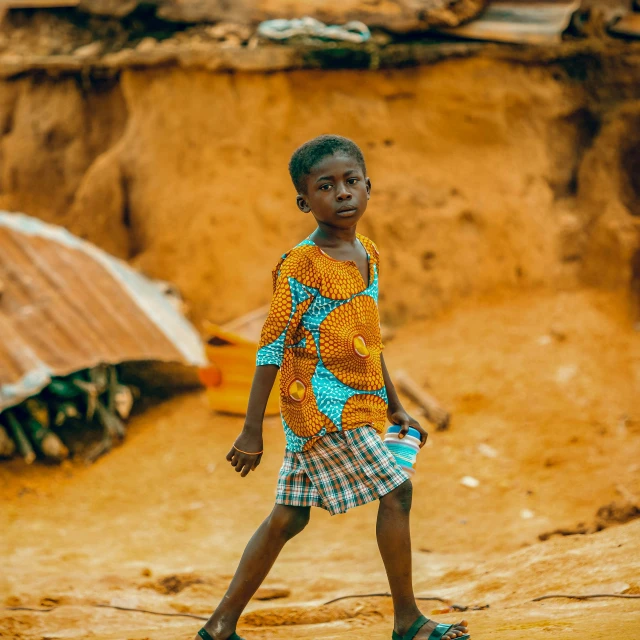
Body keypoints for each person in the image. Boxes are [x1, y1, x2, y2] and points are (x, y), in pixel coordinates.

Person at [196, 135, 470, 640]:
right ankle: (407, 620)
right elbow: (271, 347)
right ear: (305, 202)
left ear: (369, 187)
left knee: (289, 516)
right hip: (322, 408)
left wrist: (395, 406)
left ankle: (218, 627)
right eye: (326, 186)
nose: (342, 193)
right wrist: (251, 428)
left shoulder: (368, 252)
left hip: (359, 402)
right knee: (398, 491)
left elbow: (368, 336)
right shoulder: (301, 264)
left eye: (351, 181)